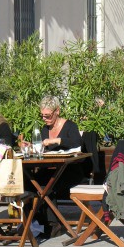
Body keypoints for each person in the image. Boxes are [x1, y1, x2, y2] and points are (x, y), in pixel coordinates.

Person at [36, 95, 84, 238]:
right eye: (42, 116)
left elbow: (77, 142)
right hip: (51, 169)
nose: (45, 119)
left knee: (47, 186)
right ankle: (35, 222)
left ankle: (53, 225)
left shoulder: (70, 126)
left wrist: (56, 140)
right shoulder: (45, 129)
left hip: (70, 170)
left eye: (48, 116)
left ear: (57, 111)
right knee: (33, 183)